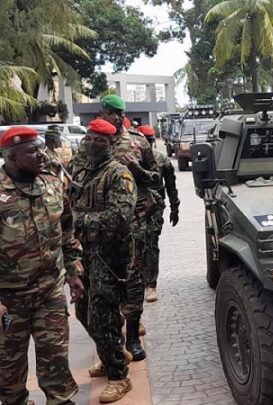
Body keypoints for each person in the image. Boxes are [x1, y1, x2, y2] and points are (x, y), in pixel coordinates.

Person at [71, 94, 160, 361]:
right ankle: (114, 341)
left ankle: (132, 336)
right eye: (112, 112)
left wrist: (139, 172)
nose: (117, 117)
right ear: (103, 112)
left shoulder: (138, 141)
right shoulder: (87, 145)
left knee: (132, 283)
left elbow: (155, 178)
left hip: (133, 224)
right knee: (101, 293)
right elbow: (76, 180)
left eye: (120, 113)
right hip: (96, 232)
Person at [0, 126, 84, 405]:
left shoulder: (51, 184)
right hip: (9, 300)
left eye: (39, 148)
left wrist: (73, 272)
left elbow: (67, 230)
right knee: (8, 375)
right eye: (32, 151)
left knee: (56, 364)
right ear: (11, 157)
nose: (41, 154)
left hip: (50, 291)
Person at [71, 119, 137, 403]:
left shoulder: (118, 174)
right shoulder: (84, 171)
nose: (93, 143)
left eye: (100, 140)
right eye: (90, 138)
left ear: (110, 144)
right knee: (83, 314)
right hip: (85, 253)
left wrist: (78, 221)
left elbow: (118, 218)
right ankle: (112, 352)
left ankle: (119, 376)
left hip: (109, 256)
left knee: (102, 317)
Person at [137, 125, 180, 302]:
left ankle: (150, 285)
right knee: (136, 245)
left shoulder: (162, 160)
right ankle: (137, 283)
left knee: (151, 244)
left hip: (154, 207)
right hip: (133, 208)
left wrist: (175, 207)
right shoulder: (129, 159)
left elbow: (171, 185)